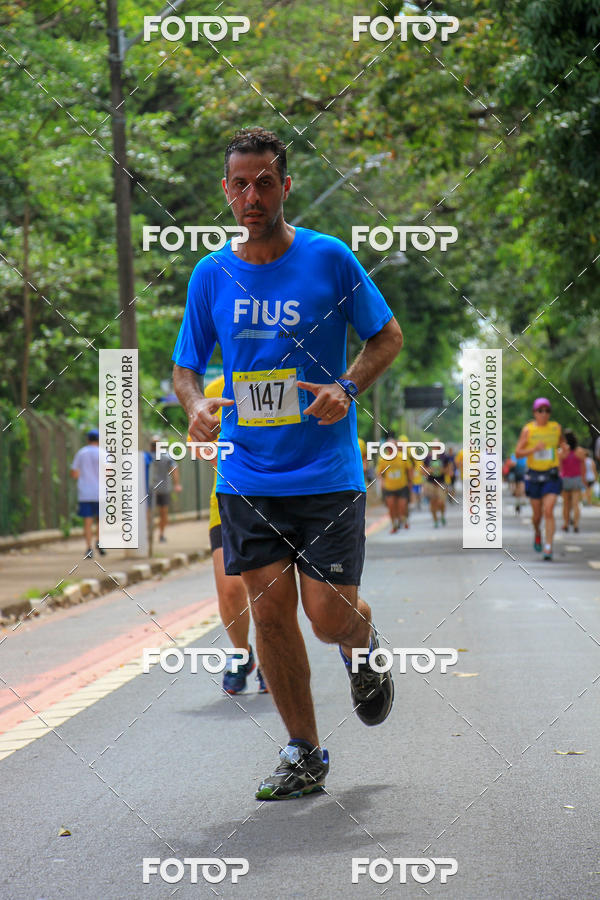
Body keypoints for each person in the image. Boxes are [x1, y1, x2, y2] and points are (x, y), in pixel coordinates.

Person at [172, 126, 403, 800]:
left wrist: (347, 388)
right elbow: (187, 368)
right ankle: (305, 750)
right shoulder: (211, 272)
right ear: (225, 190)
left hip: (326, 474)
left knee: (328, 616)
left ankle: (363, 645)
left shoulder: (329, 259)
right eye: (239, 183)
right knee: (270, 613)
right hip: (247, 475)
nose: (252, 195)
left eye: (264, 182)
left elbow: (385, 335)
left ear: (285, 186)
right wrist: (193, 407)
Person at [201, 374, 267, 694]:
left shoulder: (286, 380)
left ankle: (272, 658)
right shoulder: (215, 390)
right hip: (227, 502)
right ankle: (242, 653)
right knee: (230, 590)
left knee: (268, 589)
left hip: (276, 500)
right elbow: (204, 449)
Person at [515, 397, 563, 560]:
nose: (544, 414)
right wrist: (534, 449)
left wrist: (564, 449)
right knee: (537, 516)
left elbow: (562, 445)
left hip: (551, 474)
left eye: (547, 411)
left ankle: (548, 546)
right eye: (540, 411)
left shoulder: (556, 428)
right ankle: (537, 532)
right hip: (534, 475)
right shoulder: (528, 430)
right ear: (534, 413)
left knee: (548, 510)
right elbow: (518, 453)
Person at [70, 428, 105, 559]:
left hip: (85, 492)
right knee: (100, 520)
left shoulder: (81, 453)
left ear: (87, 439)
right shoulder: (103, 453)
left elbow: (74, 473)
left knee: (87, 521)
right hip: (100, 492)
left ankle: (88, 548)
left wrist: (83, 475)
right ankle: (99, 542)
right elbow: (109, 472)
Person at [148, 436, 182, 542]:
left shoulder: (147, 457)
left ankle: (151, 534)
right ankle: (160, 535)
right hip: (163, 488)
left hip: (151, 488)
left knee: (150, 512)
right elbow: (174, 470)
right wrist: (176, 484)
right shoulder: (167, 456)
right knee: (163, 513)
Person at [377, 434, 413, 531]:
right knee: (391, 507)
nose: (390, 449)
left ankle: (404, 519)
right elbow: (379, 473)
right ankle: (394, 525)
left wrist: (410, 481)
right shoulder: (383, 459)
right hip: (389, 487)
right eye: (388, 447)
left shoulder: (403, 457)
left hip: (402, 486)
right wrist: (382, 482)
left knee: (402, 506)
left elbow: (409, 469)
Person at [559, 429, 586, 532]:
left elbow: (559, 468)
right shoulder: (579, 451)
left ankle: (566, 524)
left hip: (565, 479)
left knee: (565, 504)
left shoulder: (562, 452)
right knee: (575, 504)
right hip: (576, 479)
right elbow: (583, 467)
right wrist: (583, 479)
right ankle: (576, 525)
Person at [423, 445, 451, 527]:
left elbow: (449, 470)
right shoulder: (427, 458)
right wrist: (429, 470)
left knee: (441, 502)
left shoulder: (444, 458)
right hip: (430, 483)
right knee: (433, 502)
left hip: (441, 483)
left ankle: (442, 515)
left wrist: (442, 470)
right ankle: (435, 520)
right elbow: (422, 470)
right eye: (434, 447)